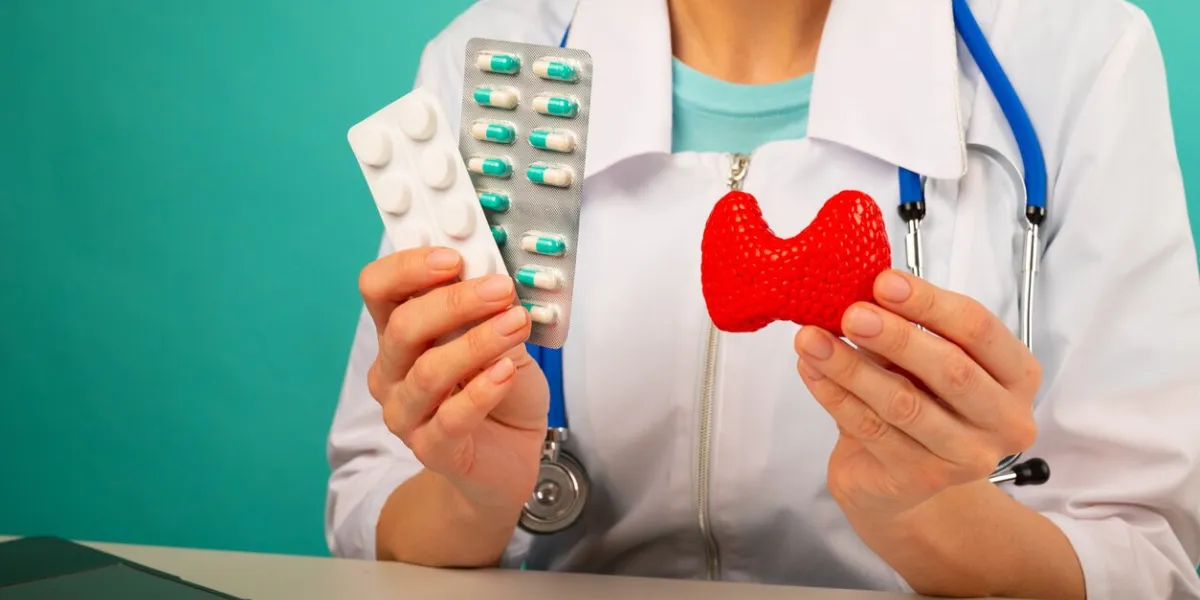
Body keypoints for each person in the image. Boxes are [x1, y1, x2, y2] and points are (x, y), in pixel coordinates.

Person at [324, 0, 1200, 598]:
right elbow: (371, 502)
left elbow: (1144, 555)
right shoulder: (496, 61)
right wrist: (475, 495)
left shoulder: (1072, 55)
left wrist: (930, 518)